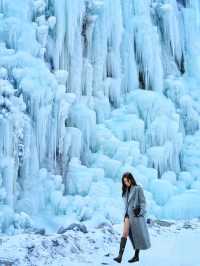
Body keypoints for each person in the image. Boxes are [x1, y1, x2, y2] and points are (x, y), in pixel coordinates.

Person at [113, 172, 151, 263]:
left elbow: (143, 202)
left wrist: (140, 211)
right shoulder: (125, 191)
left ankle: (136, 256)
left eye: (127, 180)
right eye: (124, 181)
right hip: (127, 215)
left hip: (135, 216)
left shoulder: (138, 189)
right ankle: (120, 256)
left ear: (131, 179)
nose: (126, 183)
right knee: (124, 233)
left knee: (137, 236)